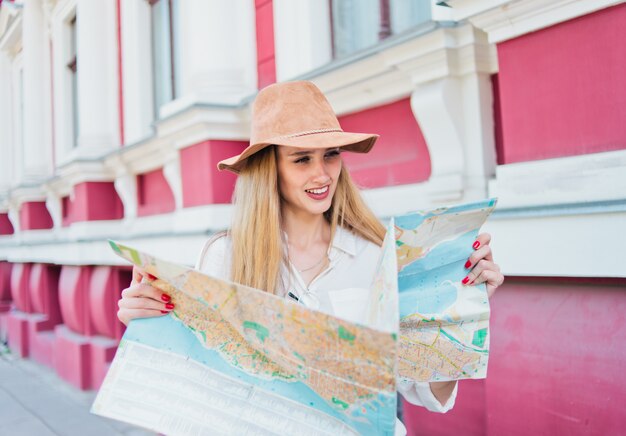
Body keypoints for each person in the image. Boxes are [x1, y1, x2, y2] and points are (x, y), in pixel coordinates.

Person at [117, 81, 504, 435]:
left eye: (331, 155)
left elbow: (425, 392)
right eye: (302, 159)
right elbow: (199, 382)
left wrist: (460, 312)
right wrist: (146, 322)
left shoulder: (378, 257)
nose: (322, 174)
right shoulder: (226, 257)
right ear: (270, 170)